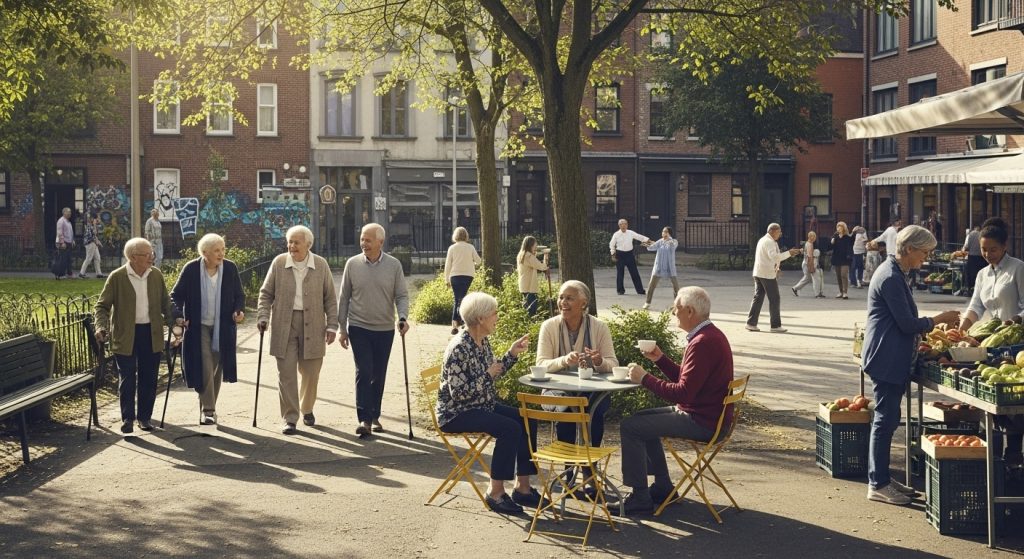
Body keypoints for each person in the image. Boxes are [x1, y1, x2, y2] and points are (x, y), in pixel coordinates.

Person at [862, 225, 960, 505]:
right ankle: (877, 483)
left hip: (890, 355)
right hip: (886, 356)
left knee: (889, 419)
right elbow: (906, 324)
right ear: (909, 249)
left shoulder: (895, 272)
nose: (926, 258)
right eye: (924, 252)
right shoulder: (892, 276)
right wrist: (938, 319)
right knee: (885, 419)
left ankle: (880, 477)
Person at [617, 286, 734, 515]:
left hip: (702, 421)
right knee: (639, 421)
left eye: (676, 308)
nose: (673, 312)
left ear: (689, 311)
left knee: (630, 427)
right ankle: (662, 487)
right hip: (709, 416)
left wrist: (644, 379)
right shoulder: (710, 335)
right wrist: (660, 359)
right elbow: (689, 380)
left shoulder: (702, 342)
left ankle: (640, 496)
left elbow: (683, 393)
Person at [435, 292, 541, 515]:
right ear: (481, 319)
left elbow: (492, 373)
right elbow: (459, 394)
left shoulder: (482, 341)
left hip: (481, 405)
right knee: (509, 429)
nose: (497, 317)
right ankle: (496, 493)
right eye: (494, 313)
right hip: (457, 413)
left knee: (527, 418)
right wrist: (486, 375)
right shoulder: (459, 348)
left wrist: (511, 354)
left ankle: (522, 487)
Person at [954, 218, 1024, 465]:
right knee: (991, 401)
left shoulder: (1018, 268)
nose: (988, 254)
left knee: (1013, 405)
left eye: (992, 249)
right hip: (990, 345)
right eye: (984, 249)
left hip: (1016, 348)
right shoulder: (983, 273)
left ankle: (1014, 455)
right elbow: (976, 304)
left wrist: (1016, 319)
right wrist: (963, 326)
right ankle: (993, 459)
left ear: (1005, 246)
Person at [257, 225, 338, 435]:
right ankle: (290, 417)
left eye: (296, 242)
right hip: (284, 323)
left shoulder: (320, 265)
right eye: (289, 242)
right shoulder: (279, 263)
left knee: (311, 371)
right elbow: (266, 294)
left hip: (314, 322)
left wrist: (332, 325)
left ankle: (307, 407)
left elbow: (330, 298)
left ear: (308, 245)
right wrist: (263, 316)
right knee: (286, 373)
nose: (291, 246)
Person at [94, 237, 173, 434]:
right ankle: (128, 418)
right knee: (127, 377)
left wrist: (177, 321)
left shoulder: (155, 275)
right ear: (132, 257)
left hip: (150, 332)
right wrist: (101, 326)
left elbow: (166, 303)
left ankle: (144, 418)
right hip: (126, 334)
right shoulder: (117, 277)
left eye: (151, 253)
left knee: (149, 378)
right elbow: (102, 306)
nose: (151, 257)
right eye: (146, 254)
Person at [337, 223, 410, 437]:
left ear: (380, 242)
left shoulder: (394, 265)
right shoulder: (352, 264)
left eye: (368, 240)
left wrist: (403, 317)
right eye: (362, 239)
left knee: (378, 374)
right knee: (364, 371)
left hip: (385, 328)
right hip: (359, 326)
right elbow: (343, 298)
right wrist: (342, 328)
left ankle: (375, 414)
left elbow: (402, 295)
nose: (363, 243)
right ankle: (364, 419)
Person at [536, 281, 618, 460]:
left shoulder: (599, 327)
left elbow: (613, 364)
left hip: (592, 390)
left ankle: (589, 471)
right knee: (566, 408)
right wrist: (564, 360)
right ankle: (568, 472)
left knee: (594, 410)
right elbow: (541, 364)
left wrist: (599, 361)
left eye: (570, 298)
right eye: (561, 297)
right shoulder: (549, 326)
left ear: (583, 303)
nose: (563, 302)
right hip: (557, 390)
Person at [170, 233, 245, 426]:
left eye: (222, 249)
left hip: (223, 327)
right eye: (217, 251)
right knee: (205, 366)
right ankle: (209, 411)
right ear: (205, 253)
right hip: (198, 326)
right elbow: (175, 295)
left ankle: (206, 406)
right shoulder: (191, 269)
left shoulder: (229, 268)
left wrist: (239, 311)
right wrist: (179, 315)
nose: (221, 254)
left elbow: (239, 296)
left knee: (216, 369)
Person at [747, 223, 801, 333]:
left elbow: (768, 258)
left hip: (759, 272)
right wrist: (789, 253)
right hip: (766, 274)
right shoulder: (769, 242)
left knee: (758, 297)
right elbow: (775, 256)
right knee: (775, 298)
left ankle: (751, 323)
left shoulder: (764, 240)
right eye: (779, 231)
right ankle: (775, 326)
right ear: (772, 231)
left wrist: (777, 267)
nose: (780, 234)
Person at [444, 226, 481, 335]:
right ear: (466, 236)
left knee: (457, 299)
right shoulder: (470, 247)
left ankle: (455, 324)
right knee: (463, 298)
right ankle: (464, 321)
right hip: (468, 275)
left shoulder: (452, 248)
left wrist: (446, 279)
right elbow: (478, 261)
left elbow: (448, 264)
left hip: (455, 276)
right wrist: (471, 263)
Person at [609, 218, 650, 295]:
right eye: (621, 224)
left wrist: (647, 240)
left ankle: (640, 290)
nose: (623, 226)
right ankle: (620, 290)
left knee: (634, 273)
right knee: (620, 273)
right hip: (620, 255)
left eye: (625, 224)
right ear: (619, 226)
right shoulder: (616, 234)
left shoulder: (630, 233)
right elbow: (611, 244)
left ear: (627, 225)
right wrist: (613, 254)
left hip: (629, 255)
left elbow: (639, 237)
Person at [642, 227, 679, 310]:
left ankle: (677, 305)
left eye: (666, 232)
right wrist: (648, 244)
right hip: (658, 267)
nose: (663, 233)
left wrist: (669, 241)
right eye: (663, 232)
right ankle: (647, 303)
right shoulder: (660, 241)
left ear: (669, 233)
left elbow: (673, 246)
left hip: (670, 268)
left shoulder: (674, 241)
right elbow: (652, 247)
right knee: (651, 285)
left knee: (676, 287)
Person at [516, 236, 549, 316]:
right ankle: (530, 325)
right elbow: (542, 266)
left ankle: (527, 325)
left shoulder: (522, 254)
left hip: (524, 285)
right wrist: (546, 255)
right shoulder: (529, 256)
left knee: (527, 308)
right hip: (529, 287)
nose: (536, 247)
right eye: (535, 245)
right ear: (530, 245)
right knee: (531, 310)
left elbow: (535, 262)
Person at [791, 231, 819, 298]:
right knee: (814, 278)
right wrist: (811, 266)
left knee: (807, 277)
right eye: (814, 236)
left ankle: (795, 288)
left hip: (805, 263)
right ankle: (817, 293)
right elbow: (810, 256)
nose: (815, 238)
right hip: (807, 263)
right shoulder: (809, 244)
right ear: (810, 237)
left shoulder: (808, 243)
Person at [831, 221, 854, 299]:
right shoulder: (835, 237)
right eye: (838, 227)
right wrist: (832, 241)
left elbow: (851, 243)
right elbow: (830, 247)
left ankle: (845, 292)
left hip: (845, 259)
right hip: (837, 258)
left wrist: (853, 232)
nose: (839, 229)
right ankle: (840, 292)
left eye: (840, 227)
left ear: (844, 229)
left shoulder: (847, 237)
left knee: (843, 274)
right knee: (838, 276)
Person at [959, 225, 984, 295]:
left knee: (970, 273)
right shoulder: (982, 235)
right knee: (979, 273)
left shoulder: (970, 234)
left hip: (972, 257)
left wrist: (963, 250)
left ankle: (969, 288)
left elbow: (966, 246)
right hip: (981, 257)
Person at [79, 214, 105, 279]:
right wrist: (95, 224)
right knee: (88, 258)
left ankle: (99, 273)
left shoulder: (92, 225)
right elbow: (93, 234)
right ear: (93, 219)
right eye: (97, 219)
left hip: (93, 243)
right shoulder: (90, 226)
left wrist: (98, 242)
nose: (98, 220)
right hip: (90, 243)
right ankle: (81, 273)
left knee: (97, 258)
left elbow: (94, 236)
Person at [54, 207, 75, 279]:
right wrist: (62, 242)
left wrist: (72, 240)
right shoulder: (61, 221)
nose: (69, 213)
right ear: (64, 213)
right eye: (68, 212)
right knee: (62, 259)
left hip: (69, 242)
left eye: (70, 212)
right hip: (64, 242)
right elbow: (60, 233)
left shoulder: (68, 222)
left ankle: (69, 273)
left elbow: (70, 232)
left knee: (69, 259)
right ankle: (60, 274)